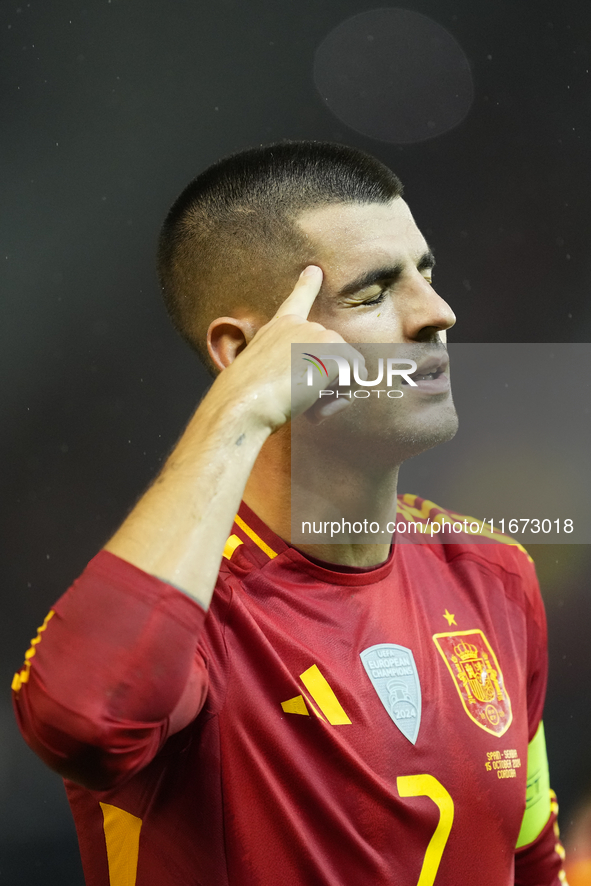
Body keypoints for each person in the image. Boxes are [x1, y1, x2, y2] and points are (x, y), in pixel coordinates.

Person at [12, 142, 566, 885]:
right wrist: (239, 411)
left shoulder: (494, 575)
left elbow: (529, 862)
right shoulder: (185, 612)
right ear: (244, 351)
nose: (437, 314)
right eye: (372, 293)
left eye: (424, 274)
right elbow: (83, 726)